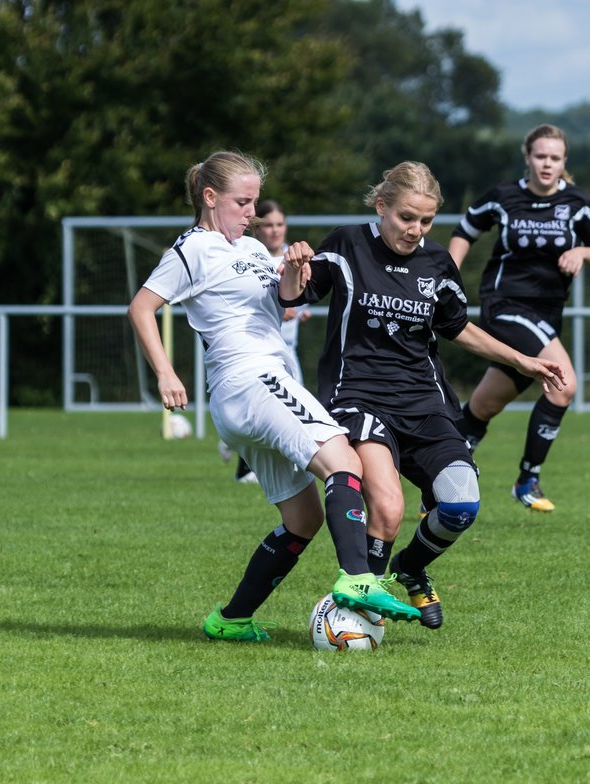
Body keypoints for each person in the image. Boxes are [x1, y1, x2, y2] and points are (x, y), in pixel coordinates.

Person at [127, 151, 420, 642]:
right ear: (209, 196)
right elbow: (141, 307)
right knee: (342, 460)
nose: (252, 212)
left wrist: (294, 269)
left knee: (303, 518)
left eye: (255, 202)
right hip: (250, 379)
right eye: (243, 202)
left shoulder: (251, 249)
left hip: (252, 390)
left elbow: (284, 307)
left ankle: (231, 619)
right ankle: (358, 579)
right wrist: (165, 373)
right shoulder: (194, 249)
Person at [280, 161, 565, 629]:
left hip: (425, 402)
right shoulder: (348, 244)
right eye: (406, 218)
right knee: (389, 509)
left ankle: (410, 567)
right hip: (358, 397)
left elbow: (458, 328)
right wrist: (293, 269)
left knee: (460, 504)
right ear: (382, 207)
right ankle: (361, 614)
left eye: (426, 221)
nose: (416, 230)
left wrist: (523, 361)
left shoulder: (436, 263)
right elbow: (294, 298)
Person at [448, 124, 590, 512]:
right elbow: (464, 231)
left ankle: (437, 476)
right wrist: (449, 275)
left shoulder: (576, 203)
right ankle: (528, 480)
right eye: (540, 156)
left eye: (555, 158)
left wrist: (583, 253)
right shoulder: (504, 197)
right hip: (504, 306)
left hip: (546, 316)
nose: (547, 164)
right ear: (527, 157)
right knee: (563, 384)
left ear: (563, 162)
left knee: (484, 406)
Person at [217, 199, 311, 485]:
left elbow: (300, 298)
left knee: (290, 408)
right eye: (268, 225)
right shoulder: (249, 257)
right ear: (258, 229)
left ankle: (236, 445)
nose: (274, 231)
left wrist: (298, 308)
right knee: (281, 408)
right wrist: (282, 310)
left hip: (287, 351)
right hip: (257, 351)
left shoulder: (292, 257)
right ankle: (247, 466)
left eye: (279, 224)